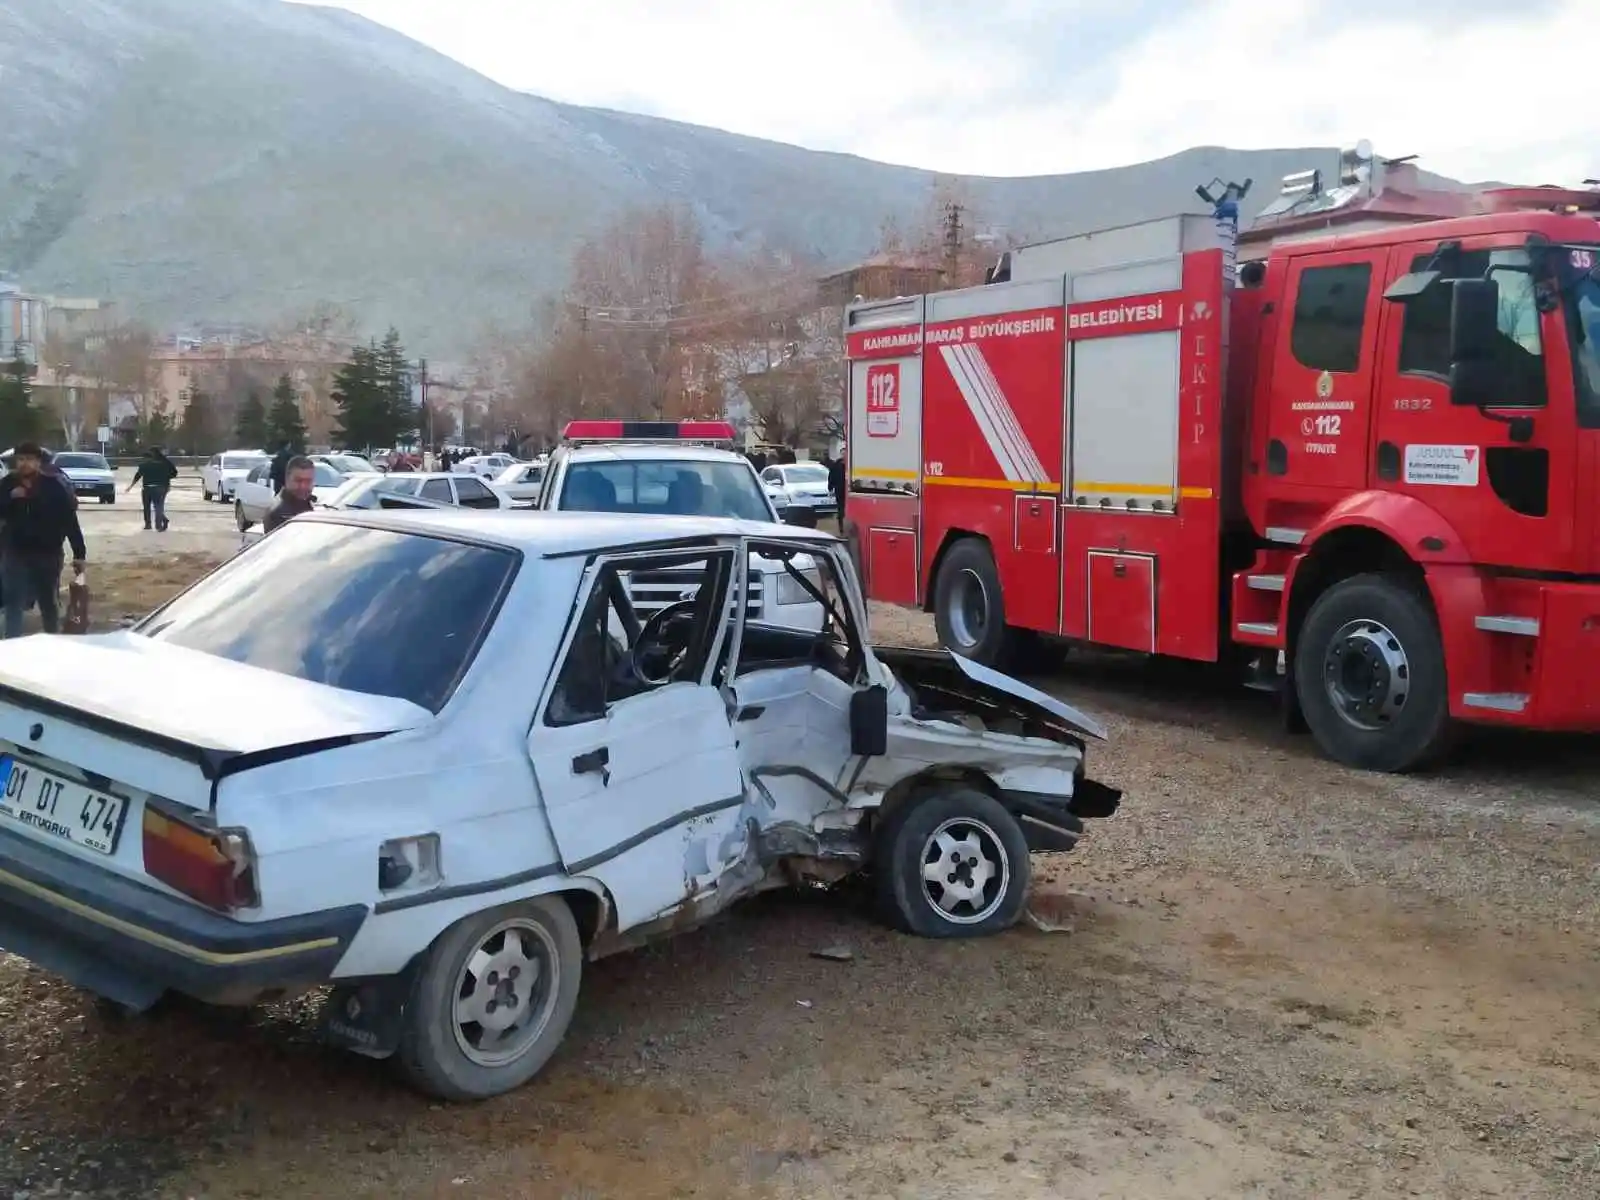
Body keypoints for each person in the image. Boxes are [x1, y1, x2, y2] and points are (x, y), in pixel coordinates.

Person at [0, 441, 87, 638]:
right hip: (15, 553)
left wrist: (79, 553)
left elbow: (69, 520)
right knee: (13, 601)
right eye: (21, 459)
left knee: (48, 601)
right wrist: (9, 498)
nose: (24, 464)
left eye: (29, 459)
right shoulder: (6, 484)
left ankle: (52, 640)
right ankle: (13, 646)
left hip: (47, 554)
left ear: (39, 462)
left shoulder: (54, 485)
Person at [128, 446, 178, 531]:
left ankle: (148, 524)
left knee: (147, 507)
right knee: (158, 506)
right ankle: (159, 525)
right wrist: (166, 479)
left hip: (147, 488)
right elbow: (174, 473)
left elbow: (138, 476)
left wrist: (131, 486)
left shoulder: (144, 465)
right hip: (161, 487)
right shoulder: (164, 463)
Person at [263, 456, 316, 534]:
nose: (303, 486)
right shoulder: (280, 513)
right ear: (287, 479)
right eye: (298, 481)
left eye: (308, 481)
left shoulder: (307, 503)